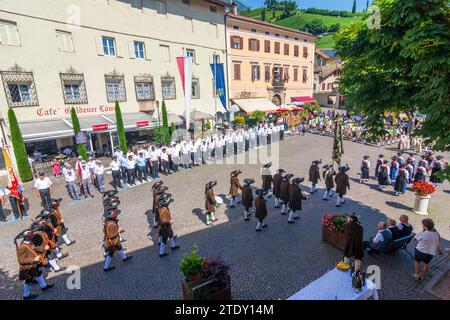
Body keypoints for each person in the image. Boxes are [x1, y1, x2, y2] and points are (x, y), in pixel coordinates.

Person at [16, 230, 55, 300]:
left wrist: (44, 248)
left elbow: (35, 248)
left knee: (39, 273)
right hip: (27, 267)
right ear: (28, 238)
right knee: (28, 280)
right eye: (31, 236)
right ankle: (26, 295)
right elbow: (21, 260)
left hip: (33, 264)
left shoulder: (30, 242)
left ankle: (44, 286)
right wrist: (34, 259)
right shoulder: (22, 247)